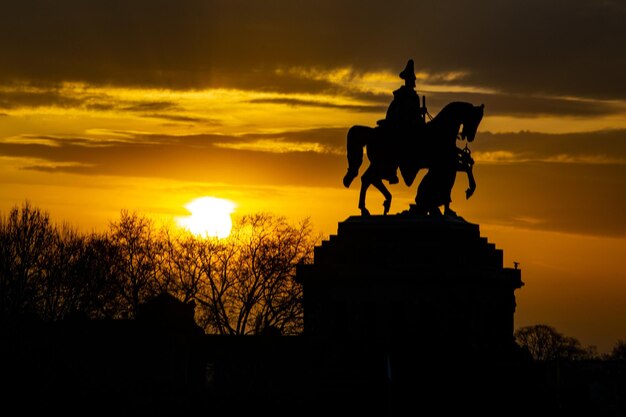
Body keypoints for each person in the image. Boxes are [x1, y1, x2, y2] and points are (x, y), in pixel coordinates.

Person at [379, 59, 426, 184]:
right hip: (402, 125)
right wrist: (418, 112)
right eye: (411, 79)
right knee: (398, 143)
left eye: (413, 80)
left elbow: (414, 113)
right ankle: (391, 170)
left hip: (412, 124)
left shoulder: (413, 96)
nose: (412, 82)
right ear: (407, 80)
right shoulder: (402, 96)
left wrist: (420, 113)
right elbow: (404, 113)